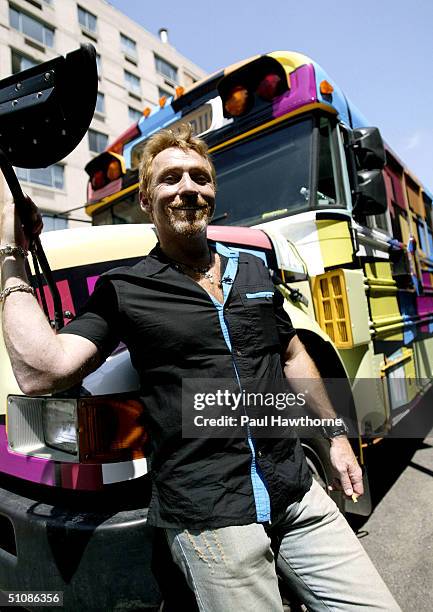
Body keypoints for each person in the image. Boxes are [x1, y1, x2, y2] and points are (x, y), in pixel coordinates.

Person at [0, 124, 401, 611]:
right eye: (170, 179)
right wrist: (10, 254)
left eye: (199, 177)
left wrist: (335, 437)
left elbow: (292, 354)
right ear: (146, 200)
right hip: (213, 520)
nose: (188, 187)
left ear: (212, 192)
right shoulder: (124, 287)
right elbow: (42, 371)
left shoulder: (252, 270)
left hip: (298, 496)